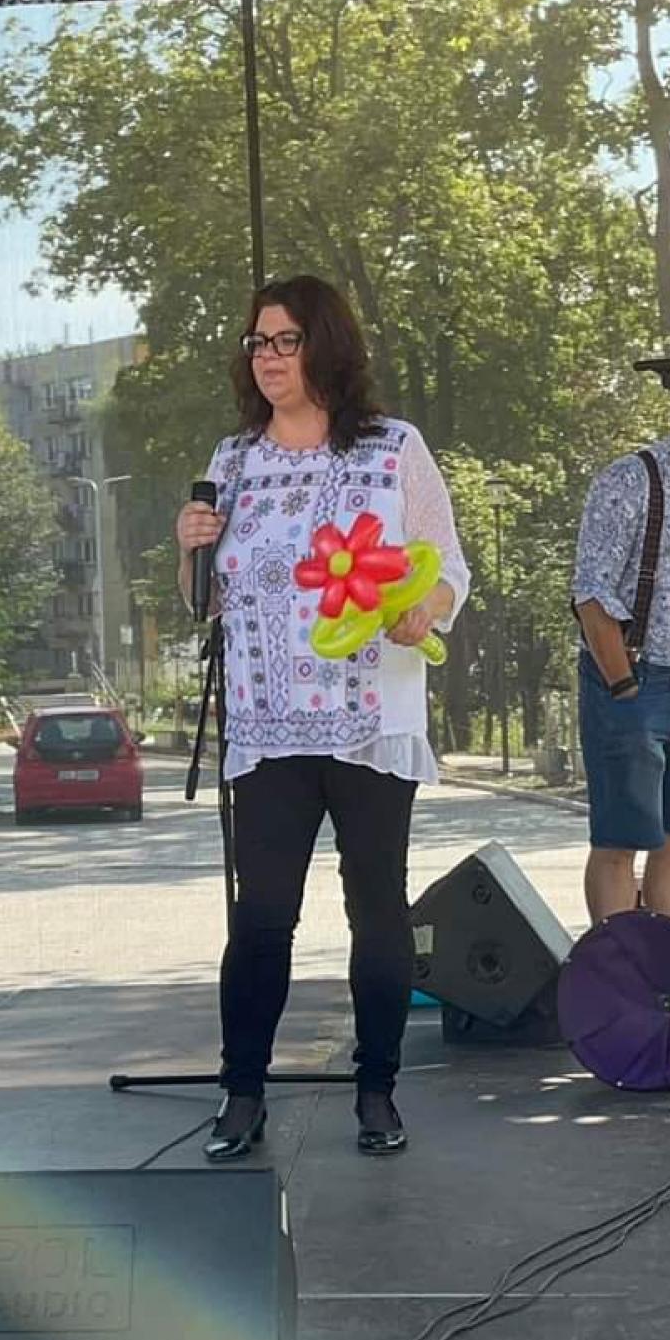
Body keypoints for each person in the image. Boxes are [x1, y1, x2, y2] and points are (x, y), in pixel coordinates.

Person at [175, 275, 469, 1163]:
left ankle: (377, 1089)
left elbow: (447, 567)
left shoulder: (393, 448)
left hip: (369, 717)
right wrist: (189, 551)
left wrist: (425, 609)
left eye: (285, 340)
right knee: (262, 914)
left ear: (326, 346)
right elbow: (204, 601)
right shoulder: (233, 461)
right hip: (267, 725)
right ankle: (242, 1091)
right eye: (257, 342)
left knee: (376, 908)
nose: (267, 358)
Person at [573, 373, 670, 926]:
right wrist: (622, 685)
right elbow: (592, 594)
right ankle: (616, 968)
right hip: (633, 680)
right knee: (620, 841)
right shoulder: (631, 479)